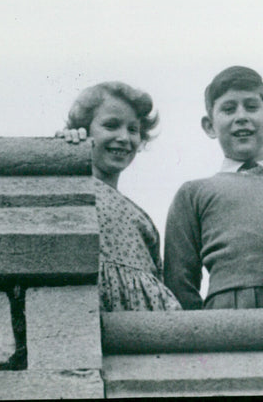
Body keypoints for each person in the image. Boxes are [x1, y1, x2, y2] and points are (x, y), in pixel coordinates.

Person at [164, 66, 263, 310]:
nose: (241, 116)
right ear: (209, 126)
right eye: (228, 109)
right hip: (225, 314)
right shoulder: (194, 193)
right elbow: (179, 281)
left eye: (251, 107)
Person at [59, 82, 181, 312]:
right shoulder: (70, 188)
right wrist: (63, 152)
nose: (124, 137)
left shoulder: (140, 216)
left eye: (133, 129)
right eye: (111, 125)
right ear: (84, 130)